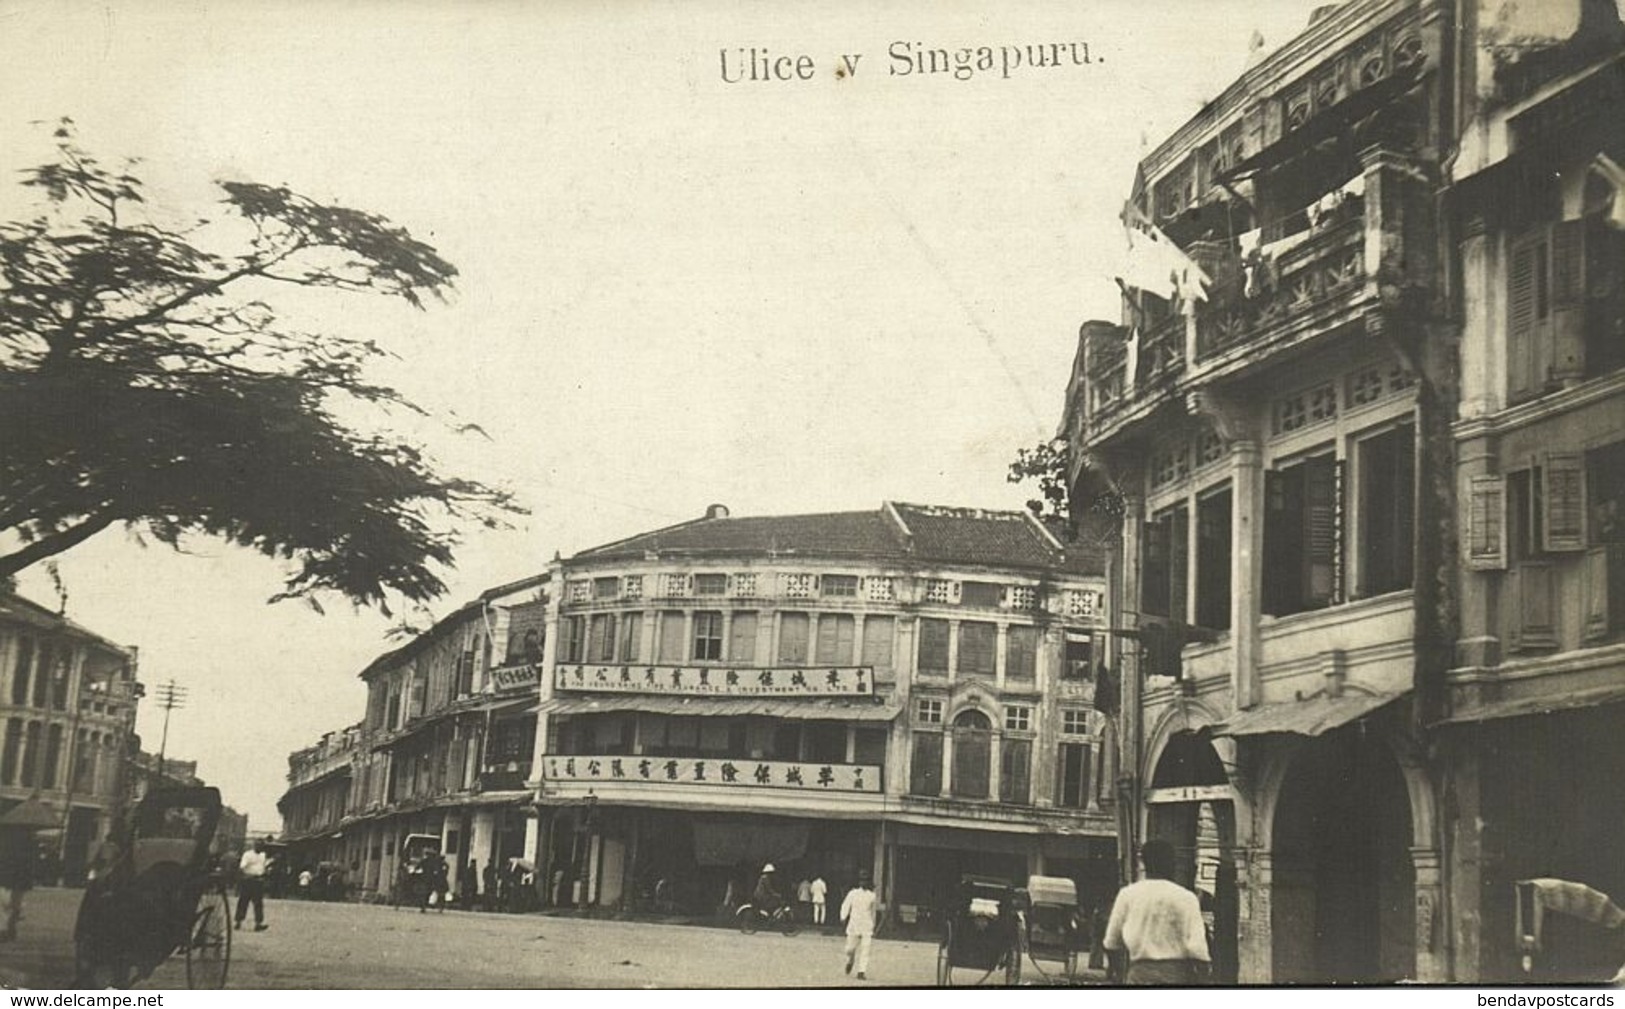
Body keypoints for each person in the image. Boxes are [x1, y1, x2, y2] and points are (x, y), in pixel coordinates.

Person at [1103, 839, 1210, 985]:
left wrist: (1121, 973)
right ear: (1173, 863)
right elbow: (1198, 949)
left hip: (1138, 974)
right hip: (1176, 976)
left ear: (1143, 863)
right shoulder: (1187, 898)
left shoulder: (1128, 895)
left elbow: (1111, 943)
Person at [840, 872, 878, 981]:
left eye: (866, 880)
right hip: (854, 924)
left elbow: (873, 912)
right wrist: (843, 917)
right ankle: (851, 960)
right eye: (862, 880)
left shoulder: (872, 896)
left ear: (869, 882)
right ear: (859, 882)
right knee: (849, 949)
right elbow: (846, 905)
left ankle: (861, 971)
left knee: (866, 949)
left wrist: (873, 924)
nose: (864, 882)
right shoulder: (853, 893)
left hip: (866, 925)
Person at [0, 827, 35, 942]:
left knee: (8, 903)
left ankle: (7, 928)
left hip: (10, 876)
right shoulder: (29, 844)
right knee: (16, 904)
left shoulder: (7, 841)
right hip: (21, 878)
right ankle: (11, 928)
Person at [235, 837, 272, 931]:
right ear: (254, 845)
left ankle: (258, 923)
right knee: (243, 901)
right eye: (258, 845)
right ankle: (238, 921)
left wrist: (265, 871)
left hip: (258, 881)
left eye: (261, 845)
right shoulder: (248, 855)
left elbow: (262, 866)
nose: (260, 847)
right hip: (248, 880)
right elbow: (242, 866)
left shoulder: (263, 855)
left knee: (258, 903)